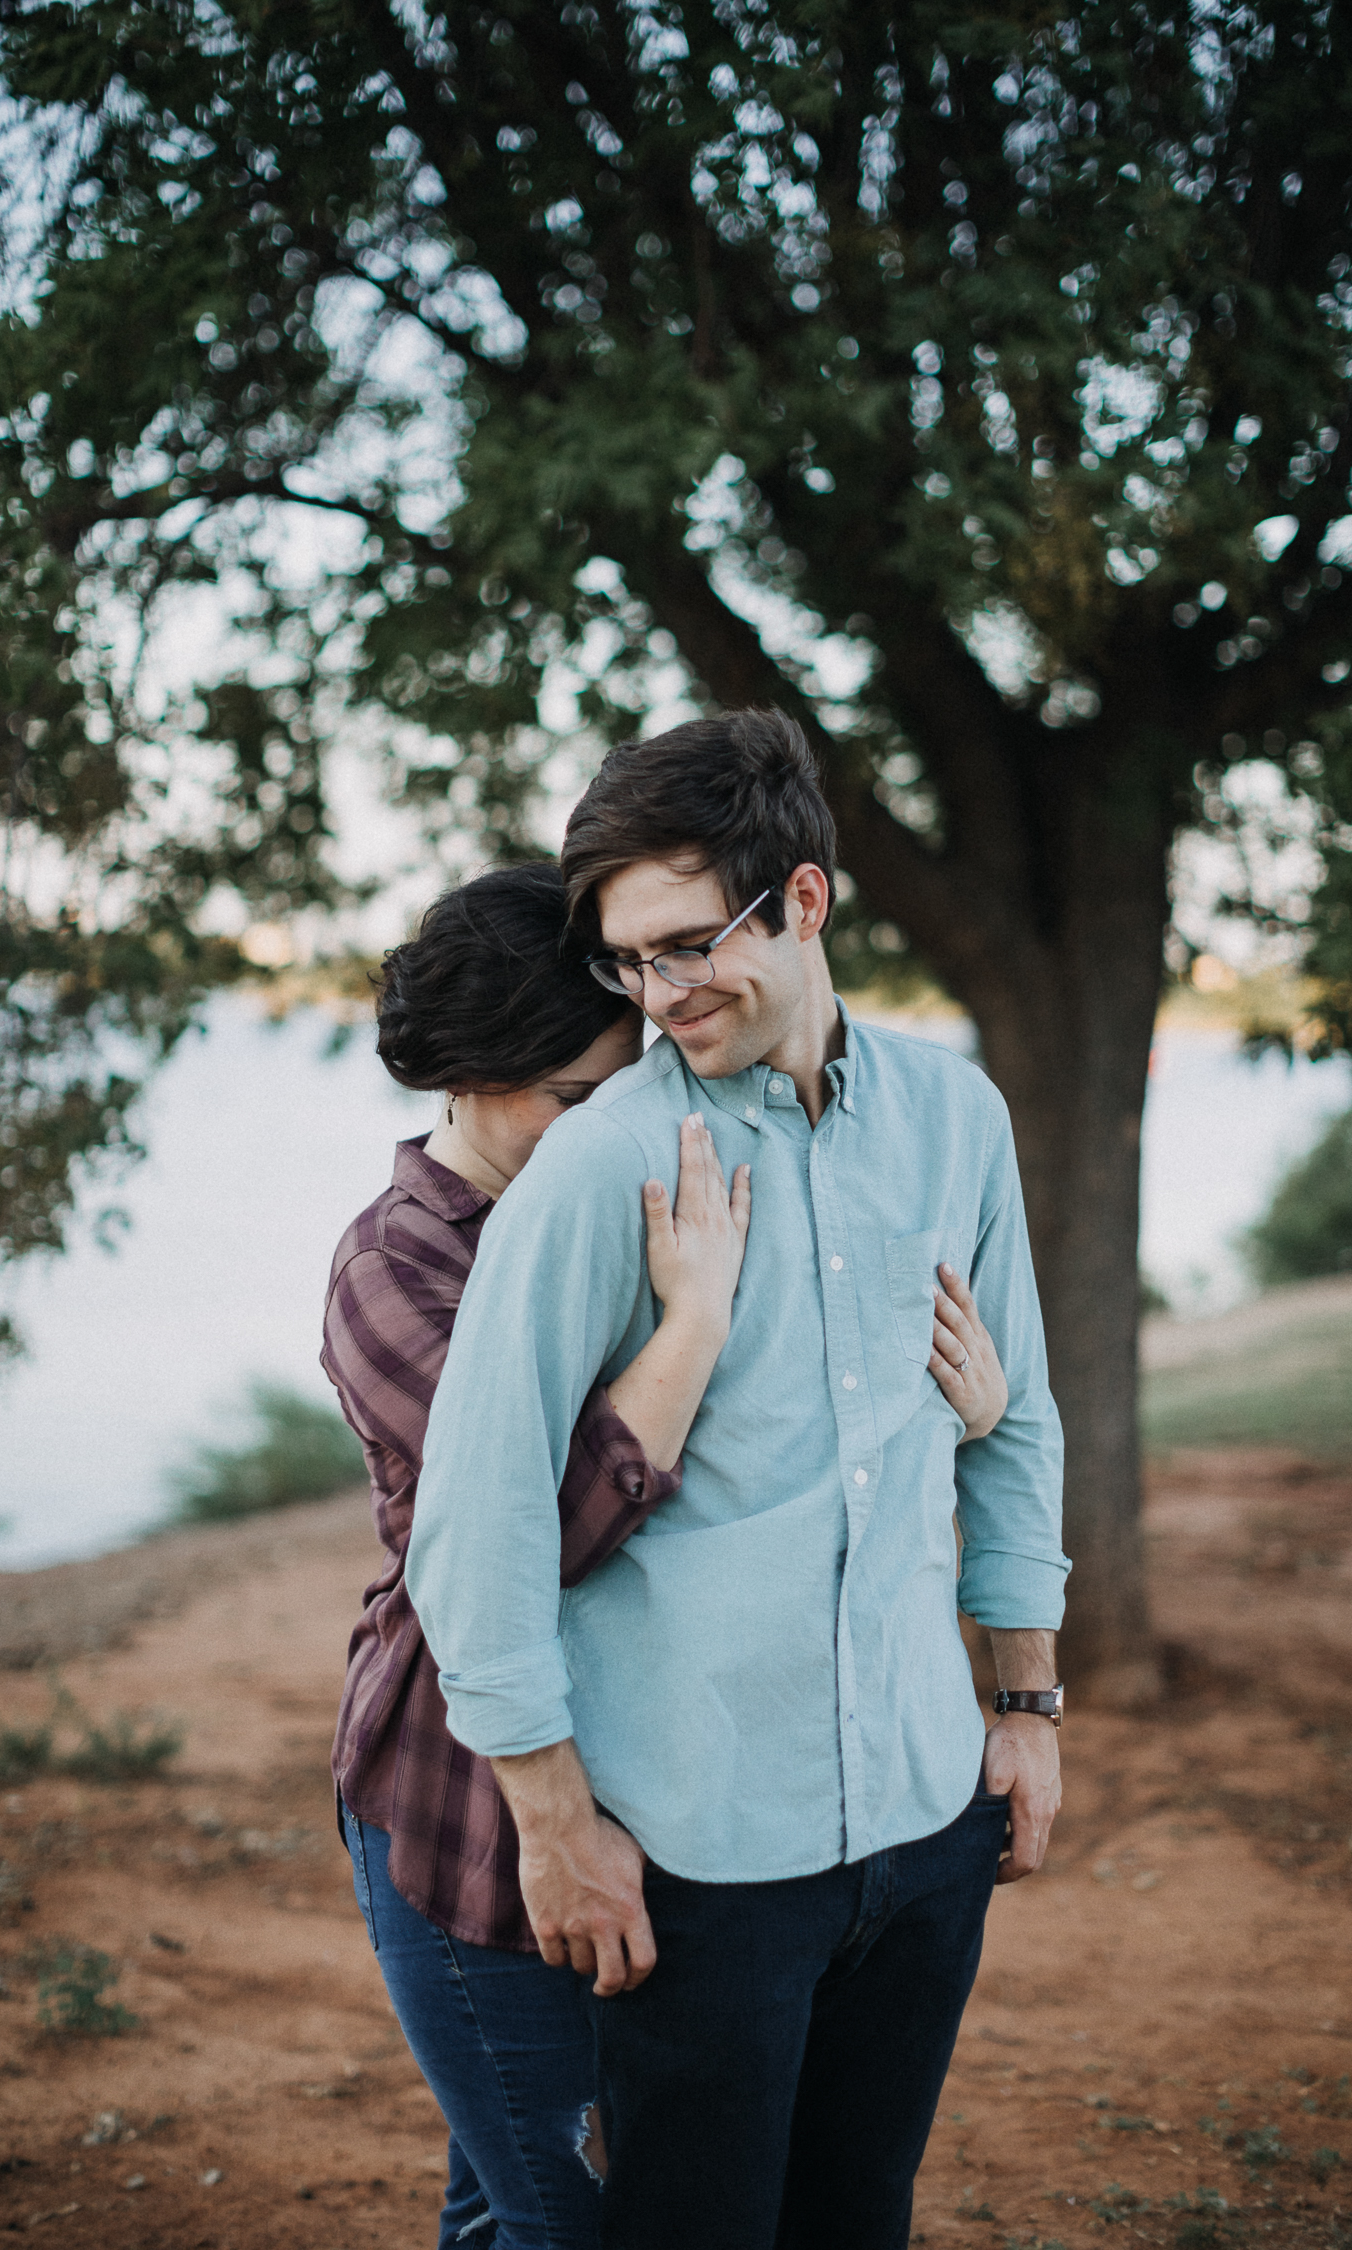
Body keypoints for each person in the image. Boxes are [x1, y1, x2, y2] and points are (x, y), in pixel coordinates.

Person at [408, 715, 1069, 2250]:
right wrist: (552, 1811)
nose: (662, 993)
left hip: (922, 1820)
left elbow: (1017, 1416)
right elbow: (477, 1513)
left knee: (858, 2224)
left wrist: (1026, 1704)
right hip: (706, 1862)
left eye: (691, 944)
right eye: (629, 963)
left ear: (808, 902)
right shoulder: (597, 1170)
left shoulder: (959, 1118)